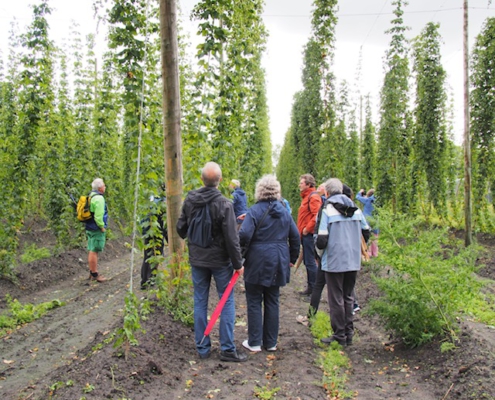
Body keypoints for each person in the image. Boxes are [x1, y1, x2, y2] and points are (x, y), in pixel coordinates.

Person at [177, 162, 247, 362]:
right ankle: (227, 349)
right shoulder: (225, 204)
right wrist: (238, 264)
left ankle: (202, 348)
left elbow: (180, 229)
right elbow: (232, 238)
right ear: (220, 181)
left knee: (200, 300)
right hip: (220, 262)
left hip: (198, 259)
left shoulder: (190, 200)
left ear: (201, 179)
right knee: (226, 301)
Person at [239, 175, 300, 352]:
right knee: (273, 300)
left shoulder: (255, 210)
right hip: (278, 258)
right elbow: (295, 237)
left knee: (254, 299)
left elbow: (244, 235)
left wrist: (241, 249)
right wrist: (291, 259)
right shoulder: (285, 212)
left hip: (257, 258)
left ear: (259, 191)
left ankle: (255, 341)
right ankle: (271, 342)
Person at [316, 178, 370, 346]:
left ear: (327, 192)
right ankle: (349, 333)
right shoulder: (355, 209)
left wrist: (319, 255)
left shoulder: (327, 209)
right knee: (348, 296)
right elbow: (366, 232)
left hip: (334, 260)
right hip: (352, 260)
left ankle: (339, 335)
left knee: (336, 298)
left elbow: (322, 239)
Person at [296, 174, 322, 296]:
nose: (299, 185)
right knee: (308, 261)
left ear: (308, 184)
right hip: (305, 235)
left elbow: (317, 215)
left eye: (301, 183)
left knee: (311, 262)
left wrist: (307, 229)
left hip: (309, 235)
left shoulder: (313, 197)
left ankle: (314, 291)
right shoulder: (307, 197)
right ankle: (310, 288)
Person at [140, 189, 168, 290]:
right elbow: (165, 223)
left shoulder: (150, 198)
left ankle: (144, 281)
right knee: (156, 255)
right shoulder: (163, 201)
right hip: (156, 231)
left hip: (147, 230)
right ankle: (151, 280)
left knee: (147, 255)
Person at [85, 178, 108, 283]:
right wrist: (102, 227)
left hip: (89, 226)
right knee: (94, 250)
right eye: (104, 185)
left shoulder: (91, 196)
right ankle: (94, 274)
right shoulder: (99, 198)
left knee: (91, 249)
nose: (105, 187)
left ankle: (92, 272)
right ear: (100, 188)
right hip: (96, 228)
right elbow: (99, 216)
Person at [356, 188, 378, 257]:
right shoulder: (377, 201)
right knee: (375, 237)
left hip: (367, 221)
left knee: (368, 237)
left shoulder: (367, 200)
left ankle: (368, 253)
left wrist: (360, 192)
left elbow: (357, 197)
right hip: (376, 221)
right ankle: (375, 253)